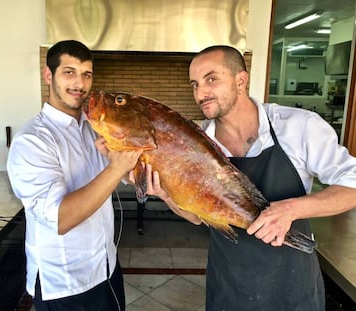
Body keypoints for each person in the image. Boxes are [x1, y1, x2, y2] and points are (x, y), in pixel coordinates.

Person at [143, 45, 356, 310]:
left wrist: (291, 209)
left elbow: (353, 183)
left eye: (211, 79)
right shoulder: (196, 145)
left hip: (292, 287)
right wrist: (166, 194)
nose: (201, 93)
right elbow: (197, 216)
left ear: (241, 80)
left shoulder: (298, 126)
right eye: (195, 84)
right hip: (230, 285)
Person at [7, 40, 141, 311]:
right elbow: (61, 218)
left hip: (106, 267)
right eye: (69, 72)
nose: (79, 83)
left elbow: (129, 174)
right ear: (48, 75)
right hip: (65, 284)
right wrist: (116, 168)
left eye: (86, 74)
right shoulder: (32, 141)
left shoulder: (95, 128)